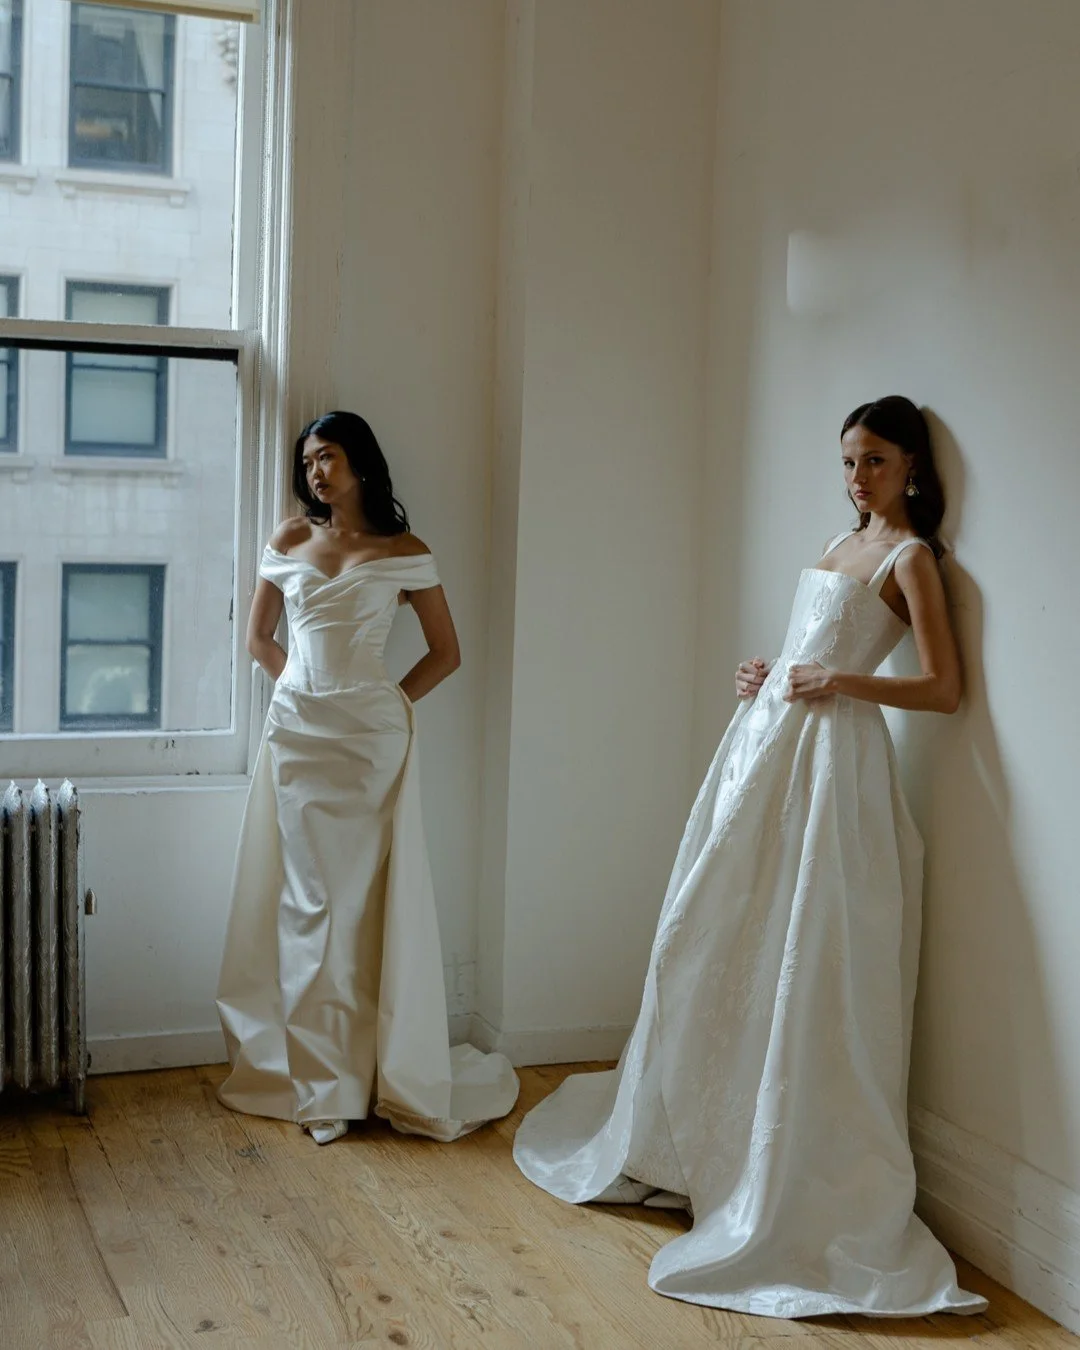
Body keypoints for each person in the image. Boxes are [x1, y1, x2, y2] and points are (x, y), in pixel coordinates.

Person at [513, 396, 987, 1317]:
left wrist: (835, 682)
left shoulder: (911, 559)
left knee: (799, 952)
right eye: (849, 461)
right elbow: (807, 644)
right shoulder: (837, 540)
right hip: (766, 745)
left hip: (831, 763)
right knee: (706, 932)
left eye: (876, 462)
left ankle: (769, 1167)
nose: (857, 478)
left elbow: (945, 689)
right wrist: (767, 676)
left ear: (913, 468)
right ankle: (686, 1139)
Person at [217, 411, 518, 1144]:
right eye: (308, 460)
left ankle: (370, 1074)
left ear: (361, 462)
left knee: (361, 909)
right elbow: (259, 638)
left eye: (328, 456)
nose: (316, 471)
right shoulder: (288, 538)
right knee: (307, 906)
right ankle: (323, 1087)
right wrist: (303, 695)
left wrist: (385, 706)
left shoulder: (405, 550)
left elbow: (446, 653)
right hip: (297, 737)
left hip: (371, 744)